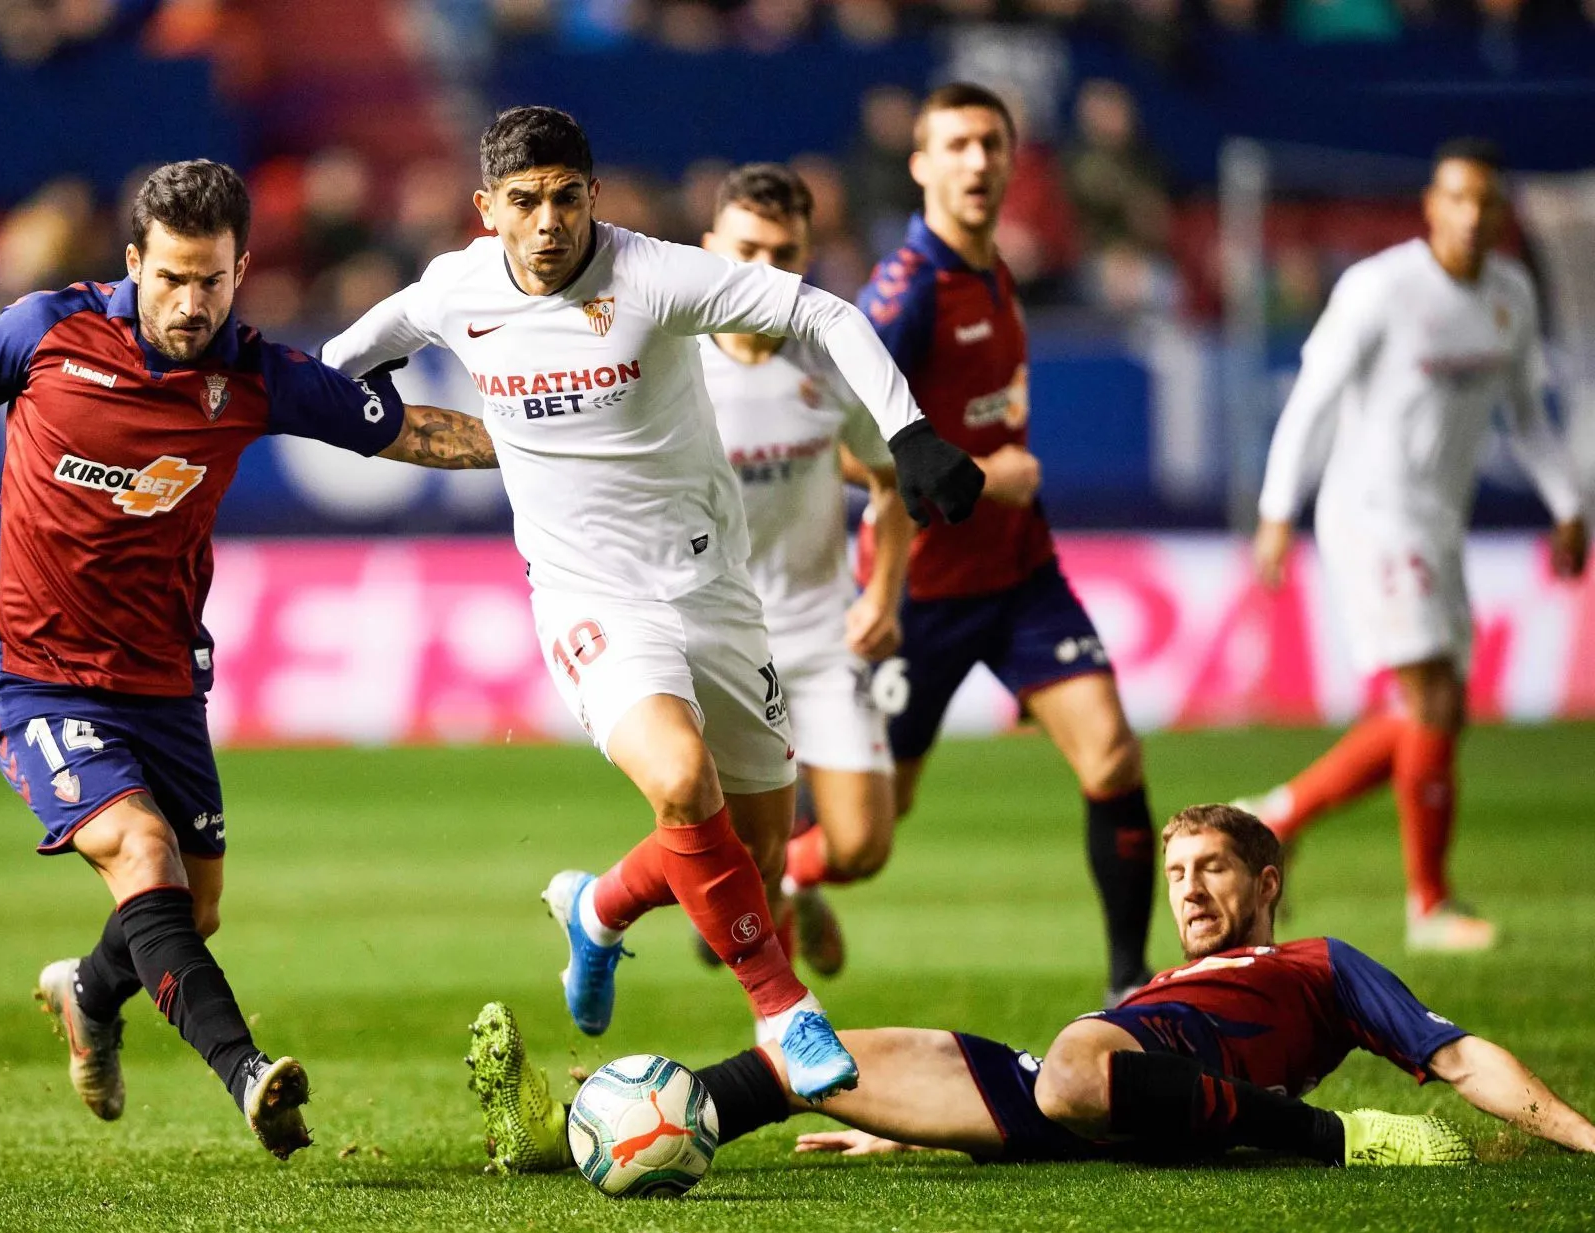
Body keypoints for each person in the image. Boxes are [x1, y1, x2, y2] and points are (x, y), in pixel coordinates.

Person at [0, 160, 498, 1160]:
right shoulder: (44, 332)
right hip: (35, 676)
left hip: (161, 678)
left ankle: (86, 988)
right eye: (171, 277)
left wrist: (551, 440)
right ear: (133, 263)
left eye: (211, 280)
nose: (191, 302)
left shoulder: (254, 375)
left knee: (189, 911)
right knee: (141, 855)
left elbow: (415, 429)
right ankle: (248, 1073)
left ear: (241, 269)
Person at [322, 106, 1034, 1101]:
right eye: (522, 202)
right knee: (678, 775)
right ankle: (783, 1008)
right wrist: (303, 405)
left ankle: (596, 909)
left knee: (754, 853)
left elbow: (825, 314)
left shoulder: (653, 275)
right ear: (486, 209)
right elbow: (332, 366)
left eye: (565, 198)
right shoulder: (455, 289)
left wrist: (908, 435)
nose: (546, 223)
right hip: (588, 595)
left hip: (712, 587)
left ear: (592, 198)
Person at [469, 804, 1595, 1173]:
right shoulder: (1171, 975)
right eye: (1172, 873)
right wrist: (919, 1132)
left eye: (1208, 869)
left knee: (1077, 1062)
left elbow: (1456, 1053)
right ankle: (563, 1136)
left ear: (1266, 878)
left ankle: (1330, 1137)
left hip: (1095, 1074)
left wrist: (1578, 1134)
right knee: (822, 1062)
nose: (1188, 889)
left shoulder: (1315, 965)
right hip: (1063, 1083)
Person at [1242, 138, 1587, 953]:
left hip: (1437, 518)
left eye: (1484, 202)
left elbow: (1527, 415)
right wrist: (1276, 508)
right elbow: (1314, 397)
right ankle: (1428, 905)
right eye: (1456, 199)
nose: (1470, 215)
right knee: (1432, 698)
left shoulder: (1509, 295)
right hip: (1369, 512)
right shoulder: (1381, 289)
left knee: (1437, 709)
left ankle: (1280, 812)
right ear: (1432, 206)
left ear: (1500, 213)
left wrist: (1568, 502)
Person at [859, 82, 1154, 1006]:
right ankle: (767, 887)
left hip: (1023, 574)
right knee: (870, 824)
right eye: (955, 145)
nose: (977, 161)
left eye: (991, 143)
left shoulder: (996, 268)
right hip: (926, 593)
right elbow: (850, 445)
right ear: (921, 165)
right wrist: (986, 475)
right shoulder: (903, 295)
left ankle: (1128, 982)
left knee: (1111, 755)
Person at [695, 162, 916, 976]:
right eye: (746, 249)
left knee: (861, 845)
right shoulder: (672, 366)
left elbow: (889, 479)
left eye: (784, 254)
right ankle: (782, 1020)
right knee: (728, 853)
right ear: (710, 246)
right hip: (713, 641)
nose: (764, 273)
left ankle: (787, 885)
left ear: (808, 255)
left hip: (823, 631)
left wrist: (883, 593)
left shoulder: (830, 356)